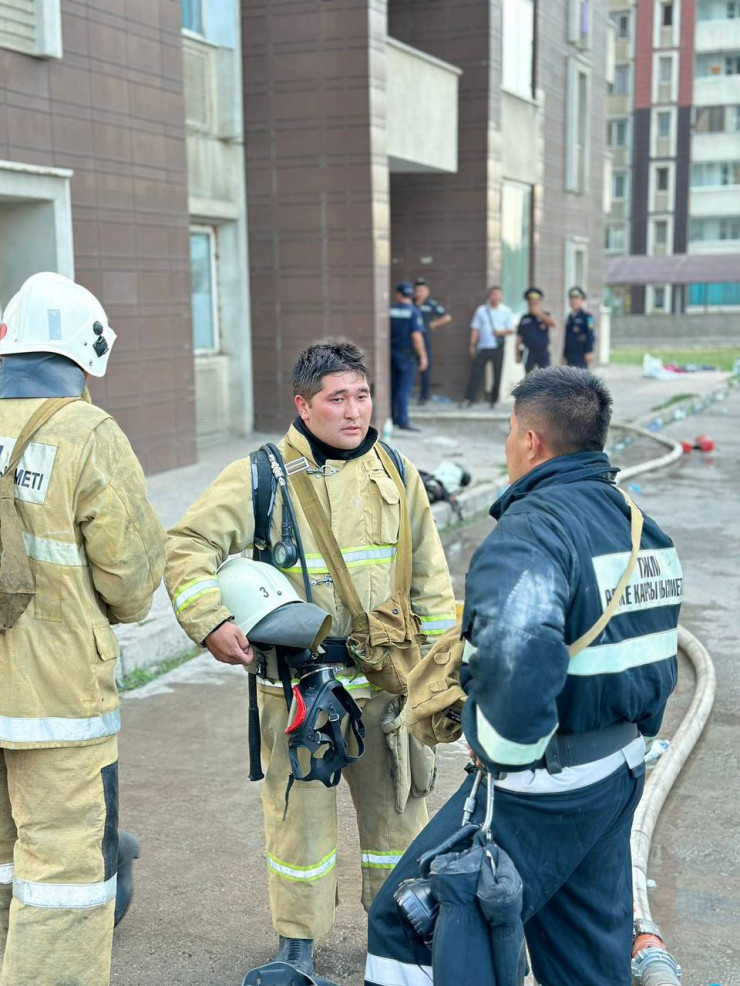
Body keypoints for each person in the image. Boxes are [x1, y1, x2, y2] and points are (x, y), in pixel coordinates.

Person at [366, 366, 682, 986]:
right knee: (583, 949)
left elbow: (515, 654)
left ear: (531, 442)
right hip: (618, 771)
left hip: (544, 784)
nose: (508, 446)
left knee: (411, 924)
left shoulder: (532, 532)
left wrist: (499, 752)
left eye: (510, 432)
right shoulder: (642, 527)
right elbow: (655, 659)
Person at [165, 342, 456, 983]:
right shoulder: (261, 476)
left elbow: (432, 583)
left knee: (401, 820)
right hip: (300, 691)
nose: (354, 412)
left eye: (362, 395)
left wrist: (440, 683)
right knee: (299, 825)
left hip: (387, 687)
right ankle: (295, 947)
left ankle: (396, 936)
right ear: (303, 405)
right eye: (337, 398)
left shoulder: (397, 471)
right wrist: (209, 620)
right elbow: (187, 544)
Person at [0, 272, 166, 986]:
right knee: (63, 873)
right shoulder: (87, 433)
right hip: (55, 701)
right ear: (88, 352)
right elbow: (130, 580)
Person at [462, 286, 514, 408]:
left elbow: (510, 329)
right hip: (483, 347)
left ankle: (493, 401)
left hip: (497, 347)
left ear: (501, 297)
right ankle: (469, 399)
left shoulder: (506, 311)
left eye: (497, 294)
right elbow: (475, 328)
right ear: (489, 296)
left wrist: (500, 332)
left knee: (497, 374)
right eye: (493, 294)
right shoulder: (481, 310)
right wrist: (472, 344)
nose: (495, 297)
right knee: (476, 373)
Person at [390, 282, 427, 432]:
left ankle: (393, 417)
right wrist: (423, 356)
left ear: (398, 294)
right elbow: (416, 336)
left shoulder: (390, 310)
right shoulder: (413, 312)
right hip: (406, 355)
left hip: (391, 353)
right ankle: (403, 421)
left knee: (393, 387)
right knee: (404, 389)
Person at [413, 278, 452, 405]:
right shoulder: (411, 303)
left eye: (423, 290)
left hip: (424, 339)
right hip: (410, 340)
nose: (420, 293)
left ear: (427, 291)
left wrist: (433, 324)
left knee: (425, 367)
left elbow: (447, 317)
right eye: (418, 290)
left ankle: (424, 396)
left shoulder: (431, 304)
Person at [516, 287, 556, 373]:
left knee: (546, 375)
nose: (533, 305)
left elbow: (553, 324)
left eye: (535, 303)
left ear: (540, 302)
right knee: (528, 375)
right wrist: (517, 354)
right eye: (531, 303)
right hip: (529, 351)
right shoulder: (524, 318)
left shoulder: (545, 315)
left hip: (542, 351)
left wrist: (539, 314)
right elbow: (519, 337)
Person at [563, 285, 596, 368]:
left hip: (581, 354)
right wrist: (564, 355)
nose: (573, 301)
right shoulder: (570, 317)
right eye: (571, 299)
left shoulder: (588, 317)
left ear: (582, 300)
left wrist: (589, 351)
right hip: (570, 354)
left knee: (581, 375)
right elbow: (567, 338)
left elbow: (591, 335)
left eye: (576, 299)